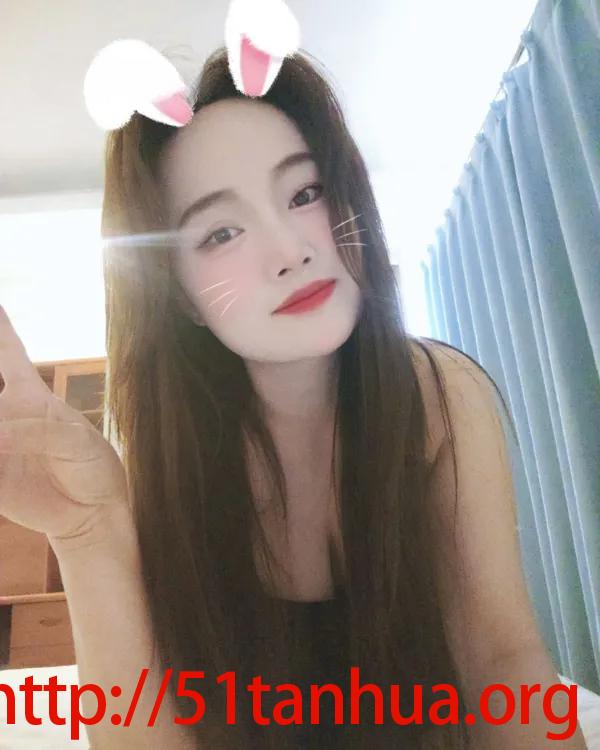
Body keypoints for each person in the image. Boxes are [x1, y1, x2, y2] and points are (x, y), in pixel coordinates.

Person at [0, 46, 587, 750]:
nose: (290, 250)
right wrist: (84, 533)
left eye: (304, 194)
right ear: (179, 298)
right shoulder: (159, 461)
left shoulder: (440, 398)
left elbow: (502, 662)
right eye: (222, 232)